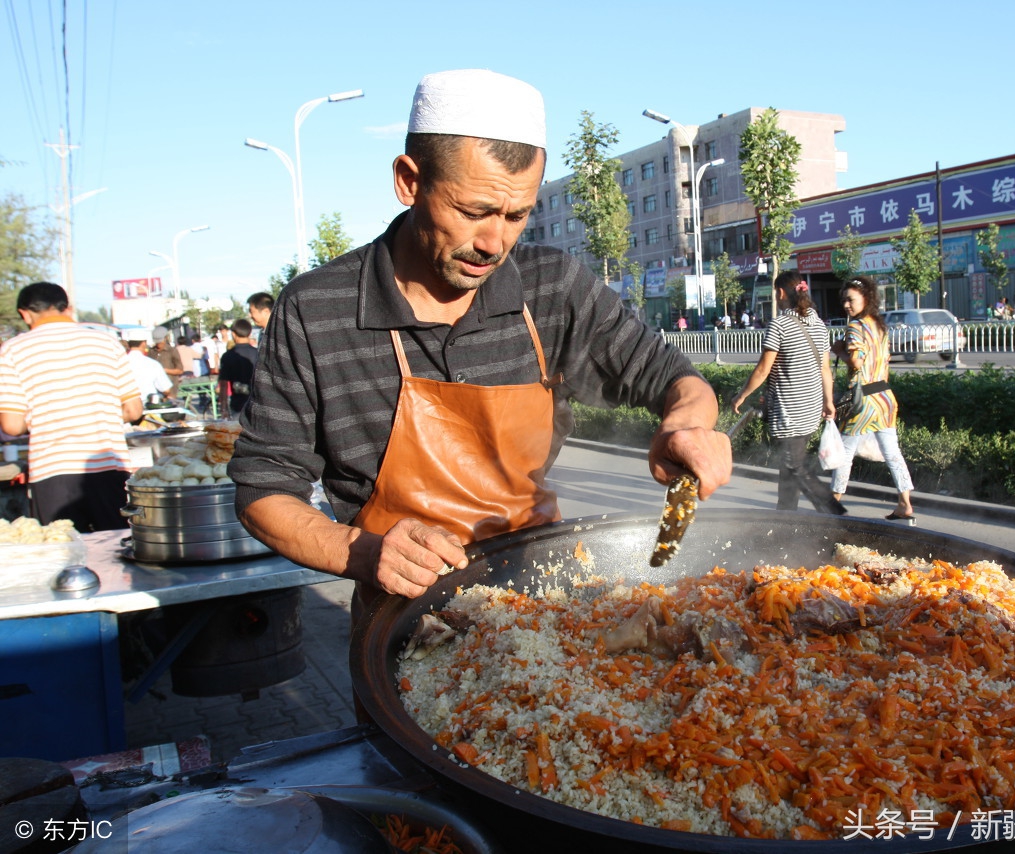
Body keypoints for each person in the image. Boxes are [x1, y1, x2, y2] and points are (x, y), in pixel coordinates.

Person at [228, 68, 732, 610]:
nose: (495, 243)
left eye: (517, 215)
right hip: (401, 611)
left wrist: (685, 426)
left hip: (547, 600)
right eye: (473, 212)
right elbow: (264, 488)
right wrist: (362, 551)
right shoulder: (315, 309)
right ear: (408, 181)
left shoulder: (552, 288)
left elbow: (676, 380)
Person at [0, 282, 142, 530]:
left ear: (25, 313)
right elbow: (133, 411)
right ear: (68, 308)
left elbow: (12, 425)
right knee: (117, 550)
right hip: (110, 465)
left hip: (52, 470)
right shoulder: (107, 343)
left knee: (64, 554)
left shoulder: (12, 350)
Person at [729, 271, 844, 515]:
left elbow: (762, 369)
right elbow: (825, 369)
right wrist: (828, 401)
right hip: (811, 409)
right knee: (790, 466)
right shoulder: (819, 326)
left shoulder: (779, 325)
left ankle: (835, 515)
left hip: (790, 410)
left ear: (781, 293)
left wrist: (741, 395)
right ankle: (785, 518)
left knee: (795, 465)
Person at [827, 277, 916, 523]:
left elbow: (856, 361)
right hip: (885, 397)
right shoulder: (879, 325)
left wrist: (839, 352)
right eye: (844, 300)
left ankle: (833, 503)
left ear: (866, 298)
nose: (846, 304)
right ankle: (905, 503)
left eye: (851, 299)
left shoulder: (856, 326)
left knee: (844, 451)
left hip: (863, 398)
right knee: (892, 453)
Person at [218, 318, 258, 415]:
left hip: (238, 406)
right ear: (249, 333)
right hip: (258, 405)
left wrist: (223, 409)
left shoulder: (228, 356)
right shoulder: (258, 353)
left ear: (233, 334)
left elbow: (223, 384)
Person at [125, 333, 176, 403]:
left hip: (126, 407)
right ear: (144, 343)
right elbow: (166, 389)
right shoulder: (152, 364)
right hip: (149, 406)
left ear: (128, 344)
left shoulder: (120, 363)